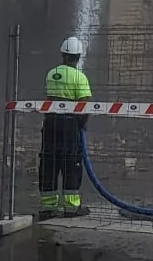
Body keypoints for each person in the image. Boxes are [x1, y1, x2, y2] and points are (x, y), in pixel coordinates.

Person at [38, 36, 92, 218]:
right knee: (71, 165)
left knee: (49, 162)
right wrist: (82, 124)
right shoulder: (80, 77)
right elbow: (84, 104)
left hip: (51, 124)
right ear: (77, 57)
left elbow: (49, 99)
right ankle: (71, 208)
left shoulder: (51, 73)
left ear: (62, 55)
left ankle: (48, 207)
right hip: (70, 125)